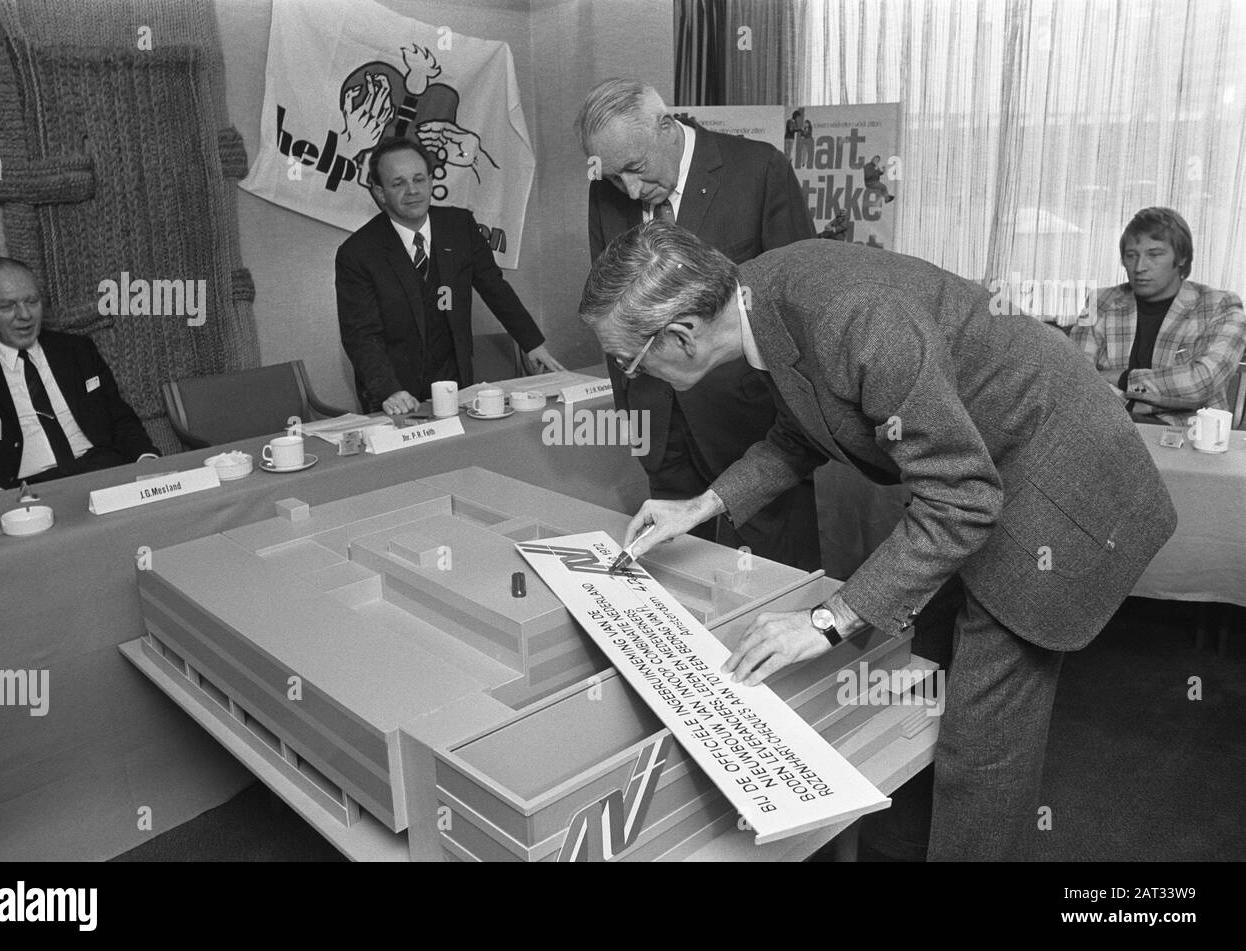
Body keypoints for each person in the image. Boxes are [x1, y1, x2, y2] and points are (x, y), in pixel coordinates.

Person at [579, 222, 1177, 861]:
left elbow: (960, 501)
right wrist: (701, 505)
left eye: (629, 359)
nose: (627, 372)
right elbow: (801, 433)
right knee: (924, 658)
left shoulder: (851, 318)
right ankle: (911, 832)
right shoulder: (764, 296)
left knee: (983, 725)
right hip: (985, 467)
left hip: (1062, 480)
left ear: (680, 335)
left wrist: (826, 619)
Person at [578, 78, 820, 571]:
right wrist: (630, 411)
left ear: (667, 127)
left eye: (636, 169)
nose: (628, 189)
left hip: (749, 425)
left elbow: (800, 304)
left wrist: (794, 424)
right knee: (677, 568)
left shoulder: (758, 170)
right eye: (613, 177)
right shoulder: (606, 193)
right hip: (658, 423)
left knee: (768, 569)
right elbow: (612, 308)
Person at [335, 138, 563, 416]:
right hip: (396, 394)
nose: (412, 191)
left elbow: (495, 288)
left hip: (455, 383)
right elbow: (361, 335)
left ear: (431, 181)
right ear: (380, 193)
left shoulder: (460, 226)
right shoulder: (357, 253)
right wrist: (388, 390)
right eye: (398, 184)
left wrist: (532, 344)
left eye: (419, 179)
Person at [0, 257, 160, 502]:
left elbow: (118, 415)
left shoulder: (77, 350)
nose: (24, 315)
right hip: (24, 492)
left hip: (103, 470)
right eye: (7, 306)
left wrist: (146, 458)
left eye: (32, 301)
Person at [1070, 206, 1246, 425]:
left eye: (1154, 254)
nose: (1140, 267)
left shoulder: (1220, 305)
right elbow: (1074, 378)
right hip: (1109, 428)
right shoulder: (1100, 301)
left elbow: (1199, 385)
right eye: (1131, 256)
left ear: (1181, 258)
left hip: (1188, 437)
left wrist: (1124, 379)